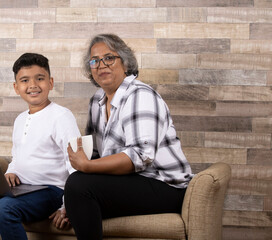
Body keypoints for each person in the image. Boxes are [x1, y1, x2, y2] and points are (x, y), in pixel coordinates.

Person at [64, 33, 194, 240]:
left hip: (165, 186)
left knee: (78, 185)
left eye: (109, 58)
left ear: (125, 63)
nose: (101, 65)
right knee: (76, 191)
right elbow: (95, 156)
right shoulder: (96, 100)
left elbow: (141, 157)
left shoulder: (140, 95)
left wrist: (86, 169)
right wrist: (68, 205)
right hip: (129, 181)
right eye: (94, 61)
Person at [0, 53, 80, 240]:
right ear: (16, 87)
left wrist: (67, 206)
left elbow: (76, 165)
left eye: (40, 78)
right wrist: (11, 171)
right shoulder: (20, 119)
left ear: (51, 83)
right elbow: (17, 155)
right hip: (22, 188)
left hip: (52, 190)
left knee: (4, 208)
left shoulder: (61, 117)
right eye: (25, 80)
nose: (33, 85)